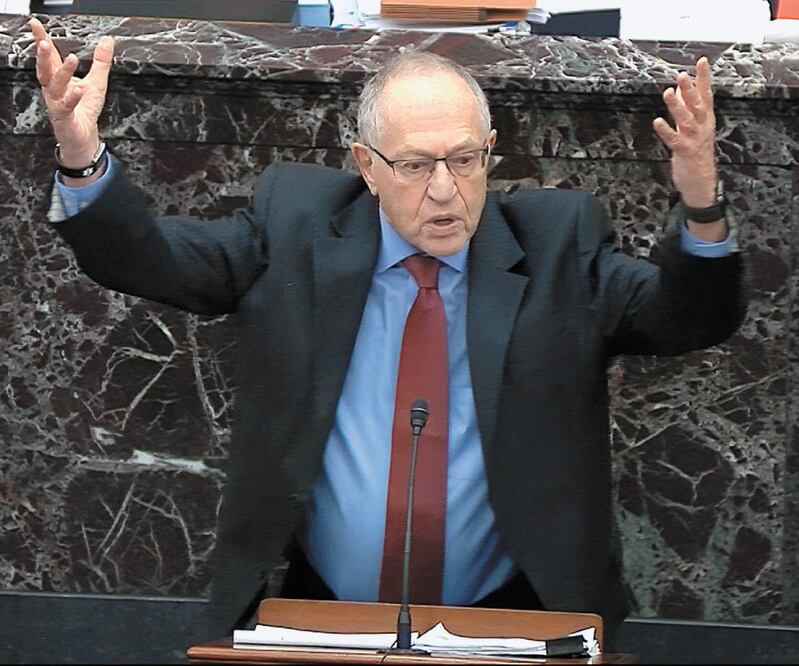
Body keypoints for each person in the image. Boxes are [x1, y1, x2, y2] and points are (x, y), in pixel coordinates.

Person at [30, 17, 746, 648]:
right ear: (366, 166)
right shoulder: (298, 228)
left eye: (464, 160)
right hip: (314, 617)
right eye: (412, 166)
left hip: (521, 621)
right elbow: (153, 261)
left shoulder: (558, 245)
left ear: (490, 151)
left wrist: (700, 203)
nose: (443, 189)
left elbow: (687, 318)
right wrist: (83, 159)